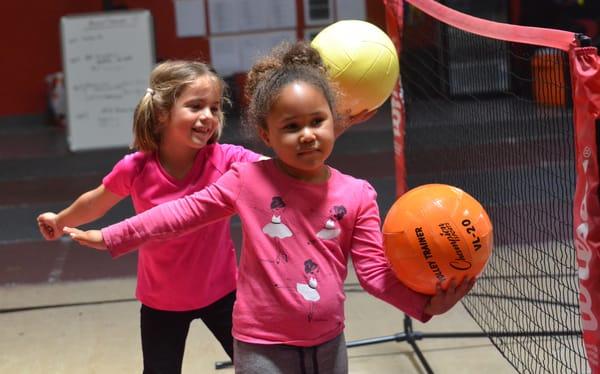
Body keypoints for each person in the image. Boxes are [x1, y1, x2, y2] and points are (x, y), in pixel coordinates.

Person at [64, 42, 474, 374]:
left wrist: (423, 305)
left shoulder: (358, 194)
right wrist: (110, 236)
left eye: (318, 122)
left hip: (330, 342)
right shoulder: (248, 180)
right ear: (266, 134)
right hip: (260, 345)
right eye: (290, 127)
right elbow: (178, 214)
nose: (307, 135)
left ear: (335, 122)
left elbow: (373, 274)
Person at [37, 60, 265, 373]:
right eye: (195, 106)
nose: (208, 117)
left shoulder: (227, 159)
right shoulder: (137, 167)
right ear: (161, 114)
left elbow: (273, 170)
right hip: (162, 300)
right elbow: (96, 202)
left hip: (223, 291)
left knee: (260, 367)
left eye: (214, 108)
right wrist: (60, 220)